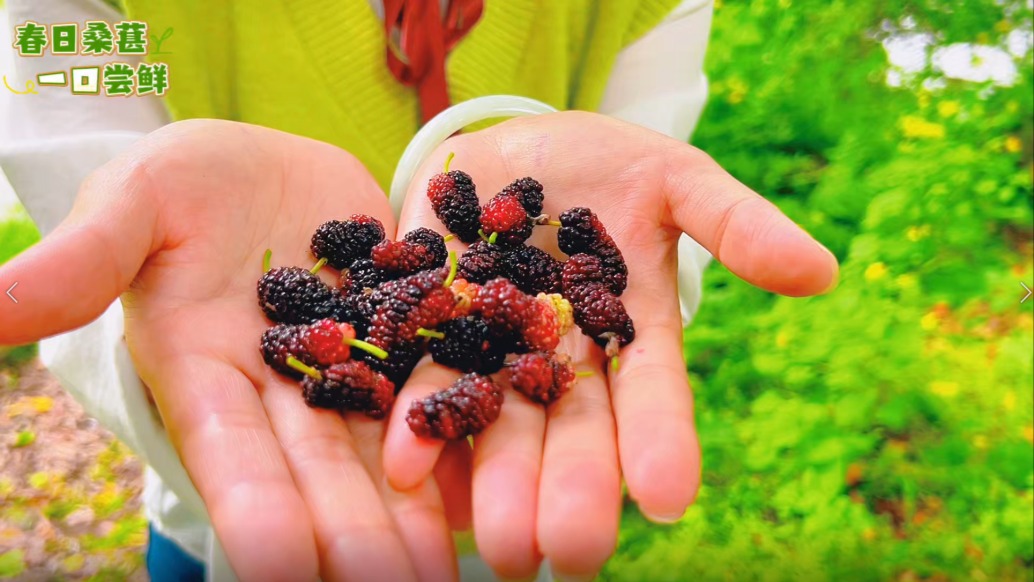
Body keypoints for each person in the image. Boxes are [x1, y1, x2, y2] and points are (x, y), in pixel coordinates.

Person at [0, 0, 839, 580]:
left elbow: (635, 229)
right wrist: (159, 335)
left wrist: (603, 316)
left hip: (518, 522)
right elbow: (108, 250)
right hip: (216, 513)